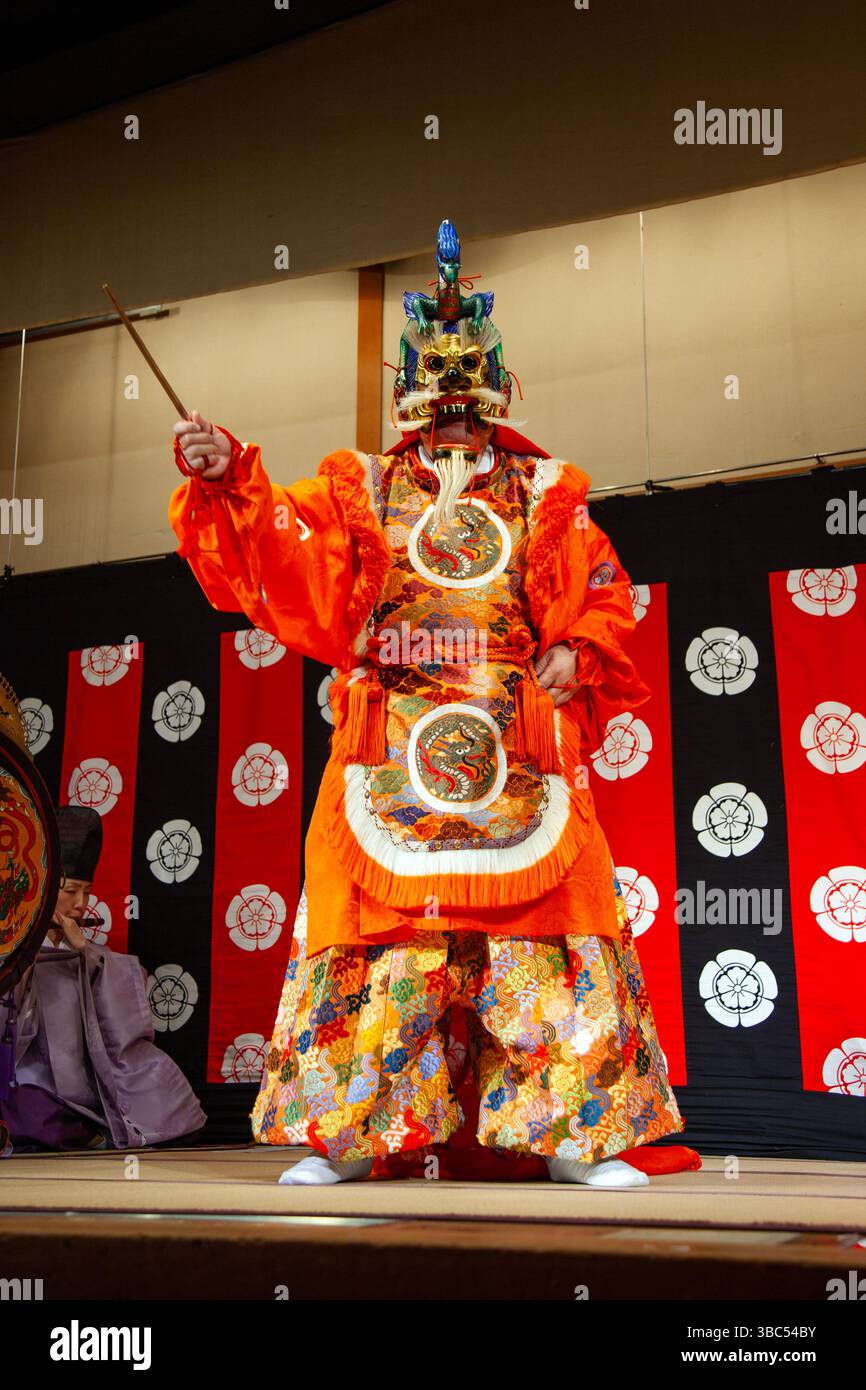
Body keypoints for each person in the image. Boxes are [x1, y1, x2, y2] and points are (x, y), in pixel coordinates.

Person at [169, 219, 684, 1188]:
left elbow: (606, 590)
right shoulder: (360, 488)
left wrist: (575, 646)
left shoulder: (544, 493)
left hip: (514, 743)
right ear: (413, 396)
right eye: (437, 396)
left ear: (491, 392)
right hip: (388, 742)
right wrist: (227, 472)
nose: (451, 415)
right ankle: (352, 1133)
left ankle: (568, 1130)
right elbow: (287, 555)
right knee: (369, 925)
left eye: (466, 395)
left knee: (548, 921)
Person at [0, 805, 206, 1153]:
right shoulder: (11, 950)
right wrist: (25, 964)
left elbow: (124, 1024)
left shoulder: (89, 950)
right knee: (36, 1118)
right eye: (70, 891)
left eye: (87, 892)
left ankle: (96, 1128)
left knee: (171, 1105)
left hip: (92, 1079)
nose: (81, 904)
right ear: (44, 888)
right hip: (32, 1079)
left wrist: (88, 954)